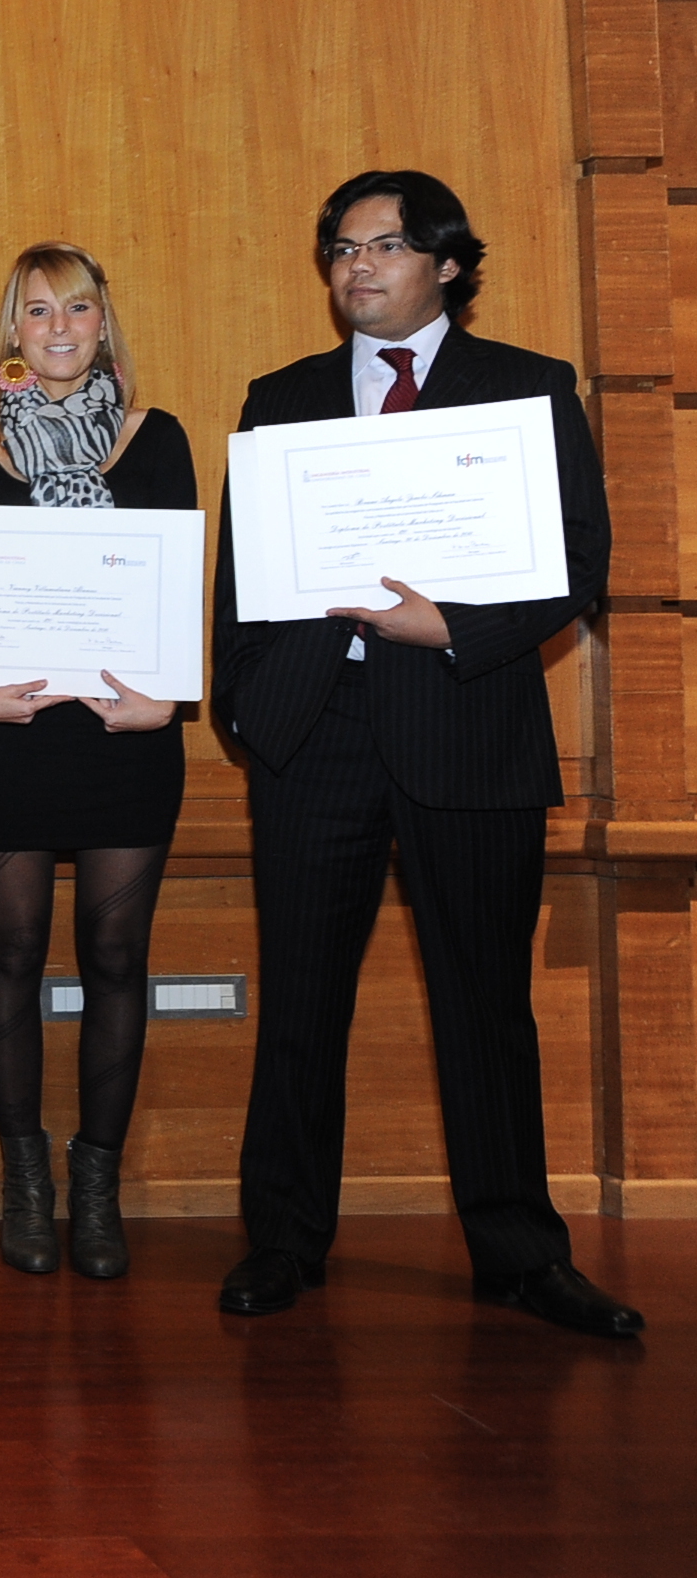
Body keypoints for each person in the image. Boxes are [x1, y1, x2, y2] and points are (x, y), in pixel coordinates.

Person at [212, 170, 641, 1338]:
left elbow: (578, 562)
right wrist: (244, 708)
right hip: (314, 736)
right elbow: (240, 576)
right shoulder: (281, 398)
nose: (356, 266)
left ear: (447, 264)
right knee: (300, 1002)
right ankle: (282, 1239)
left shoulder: (525, 387)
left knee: (484, 1005)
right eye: (340, 248)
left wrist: (448, 625)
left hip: (467, 726)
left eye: (385, 245)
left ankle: (518, 1254)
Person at [0, 244, 191, 1279]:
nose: (59, 328)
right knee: (11, 953)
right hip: (8, 738)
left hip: (126, 737)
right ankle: (25, 1185)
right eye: (37, 311)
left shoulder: (156, 438)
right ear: (13, 330)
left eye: (76, 309)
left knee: (116, 957)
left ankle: (96, 1188)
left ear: (101, 323)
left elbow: (179, 582)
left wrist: (170, 695)